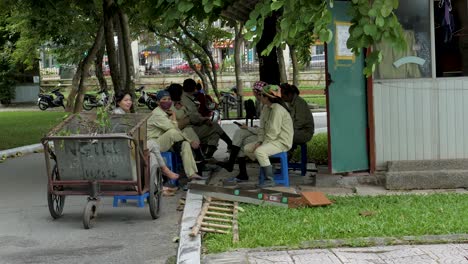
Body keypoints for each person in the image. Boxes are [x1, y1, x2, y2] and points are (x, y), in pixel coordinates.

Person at [112, 92, 179, 182]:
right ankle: (165, 170)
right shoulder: (118, 114)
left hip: (132, 145)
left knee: (152, 156)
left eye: (130, 100)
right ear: (118, 102)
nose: (129, 102)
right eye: (126, 100)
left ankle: (157, 185)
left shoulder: (126, 113)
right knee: (153, 144)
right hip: (126, 147)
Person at [218, 81, 269, 183]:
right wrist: (253, 128)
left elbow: (268, 130)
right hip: (262, 133)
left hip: (267, 137)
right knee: (240, 132)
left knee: (242, 141)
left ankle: (237, 169)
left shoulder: (268, 107)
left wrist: (250, 129)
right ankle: (232, 165)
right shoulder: (264, 105)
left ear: (256, 92)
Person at [243, 85, 294, 187]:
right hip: (271, 140)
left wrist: (261, 146)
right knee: (247, 148)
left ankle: (269, 180)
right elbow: (262, 129)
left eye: (261, 95)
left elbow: (273, 132)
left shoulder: (278, 110)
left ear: (267, 97)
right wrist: (259, 142)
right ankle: (268, 166)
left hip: (282, 142)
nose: (260, 97)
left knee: (259, 151)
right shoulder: (266, 108)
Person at [147, 90, 203, 180]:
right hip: (154, 144)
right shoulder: (157, 114)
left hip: (164, 141)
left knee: (185, 144)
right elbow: (173, 129)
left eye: (169, 99)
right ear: (158, 102)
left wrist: (173, 115)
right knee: (173, 133)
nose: (167, 101)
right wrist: (191, 140)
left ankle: (191, 173)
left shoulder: (165, 113)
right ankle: (197, 153)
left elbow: (175, 128)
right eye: (164, 99)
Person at [181, 78, 232, 158]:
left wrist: (204, 119)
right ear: (193, 88)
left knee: (215, 134)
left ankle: (207, 157)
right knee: (215, 126)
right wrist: (205, 119)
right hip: (188, 129)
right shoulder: (187, 100)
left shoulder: (188, 97)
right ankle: (230, 144)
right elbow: (194, 118)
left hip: (191, 126)